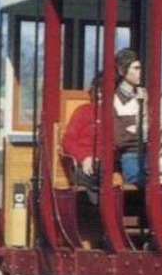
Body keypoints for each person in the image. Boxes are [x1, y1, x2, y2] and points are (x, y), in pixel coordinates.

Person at [60, 72, 104, 201]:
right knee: (92, 172)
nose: (101, 94)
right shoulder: (84, 111)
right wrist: (84, 157)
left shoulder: (116, 114)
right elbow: (68, 140)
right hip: (85, 164)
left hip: (108, 162)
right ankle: (97, 210)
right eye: (99, 90)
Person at [112, 48, 147, 184]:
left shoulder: (144, 95)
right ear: (122, 70)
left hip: (148, 154)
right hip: (129, 155)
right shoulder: (114, 98)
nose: (140, 72)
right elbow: (119, 138)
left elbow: (153, 128)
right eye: (136, 68)